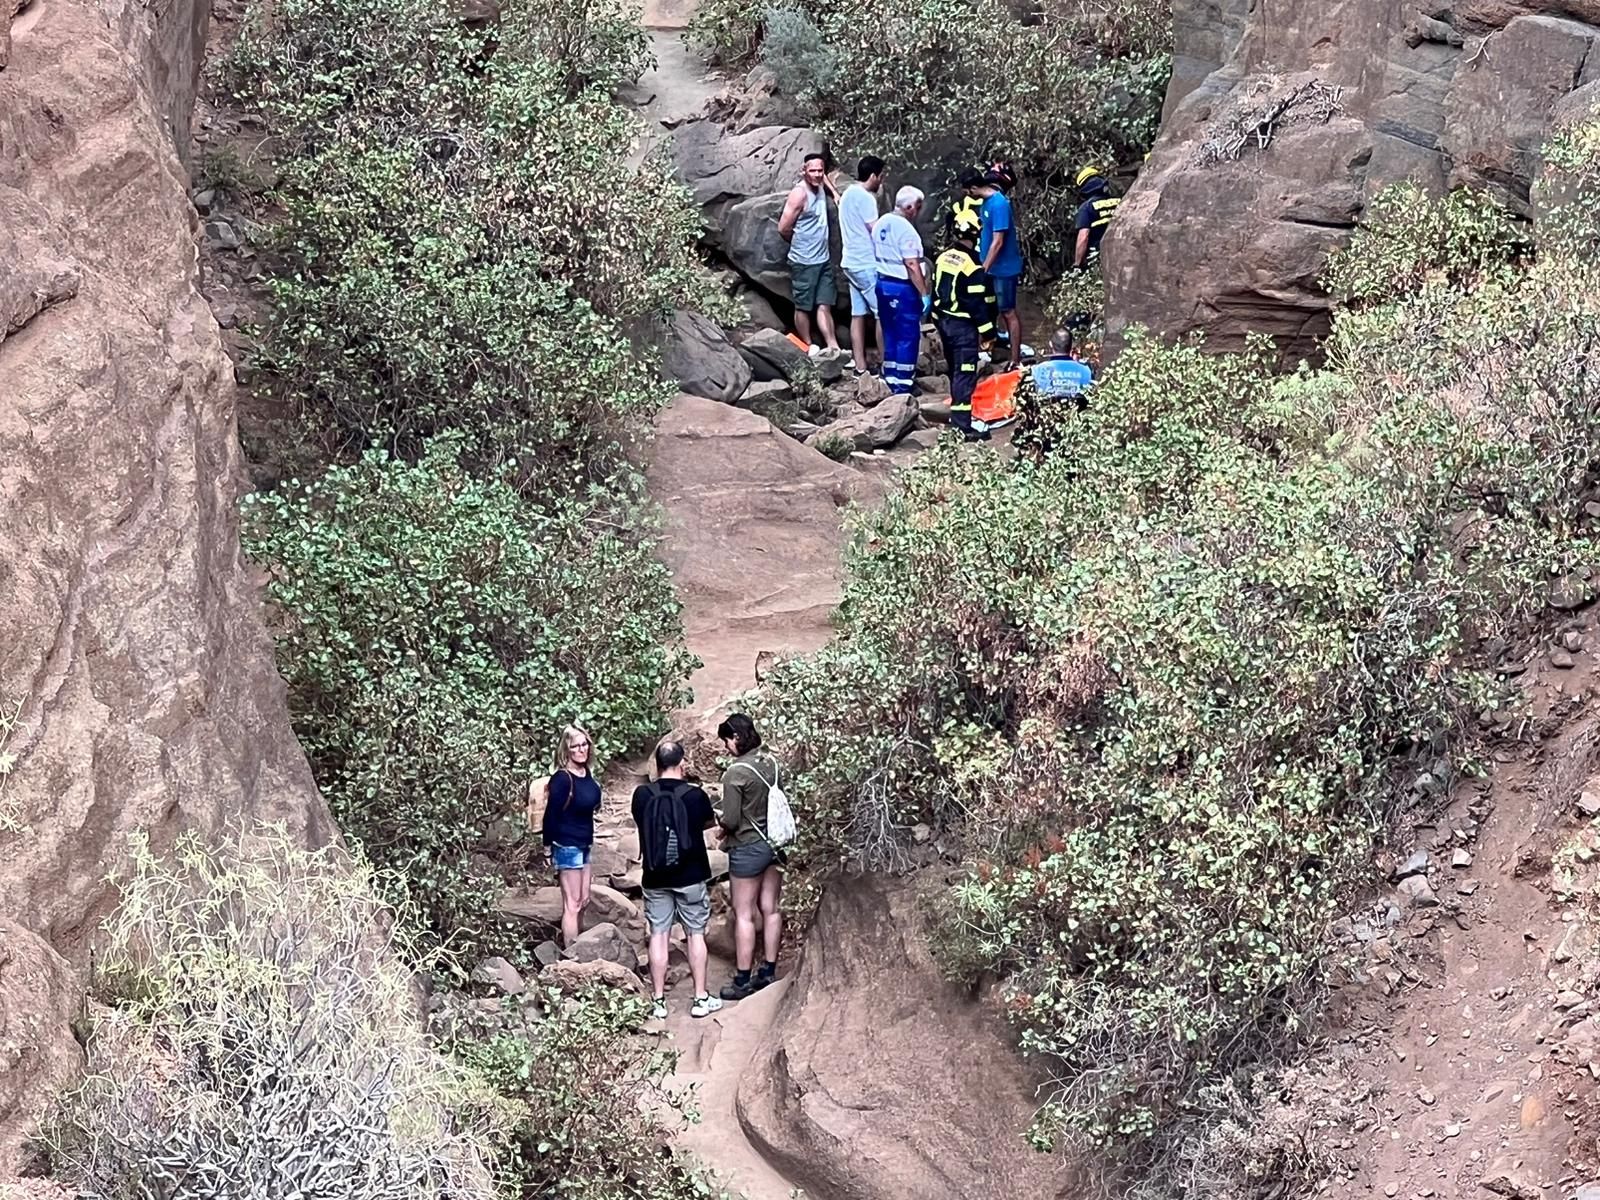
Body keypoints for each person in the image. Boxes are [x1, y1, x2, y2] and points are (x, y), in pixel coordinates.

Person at [632, 740, 723, 1021]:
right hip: (691, 875)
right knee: (695, 933)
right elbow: (708, 824)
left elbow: (641, 822)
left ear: (657, 765)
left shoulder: (642, 795)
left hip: (655, 875)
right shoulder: (695, 796)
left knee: (658, 934)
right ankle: (700, 998)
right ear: (682, 763)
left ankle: (658, 1001)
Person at [716, 713, 785, 1001]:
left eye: (726, 741)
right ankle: (768, 970)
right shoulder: (771, 762)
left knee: (743, 913)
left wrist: (721, 827)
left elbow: (731, 819)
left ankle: (743, 979)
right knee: (771, 907)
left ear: (736, 738)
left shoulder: (735, 774)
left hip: (747, 846)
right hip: (775, 843)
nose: (725, 748)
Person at [932, 206, 997, 442]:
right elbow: (976, 304)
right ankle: (962, 426)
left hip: (944, 323)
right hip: (962, 327)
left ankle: (957, 420)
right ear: (975, 235)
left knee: (954, 371)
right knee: (964, 373)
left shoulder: (942, 258)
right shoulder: (972, 267)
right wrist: (989, 333)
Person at [540, 724, 602, 948]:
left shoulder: (586, 773)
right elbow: (551, 815)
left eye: (584, 744)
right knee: (572, 904)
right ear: (566, 750)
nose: (581, 749)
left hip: (585, 842)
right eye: (575, 746)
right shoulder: (562, 779)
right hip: (567, 845)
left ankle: (578, 944)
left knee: (584, 900)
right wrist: (547, 847)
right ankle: (571, 955)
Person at [778, 153, 843, 357]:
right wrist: (799, 243)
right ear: (803, 171)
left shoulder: (820, 183)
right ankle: (807, 345)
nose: (817, 175)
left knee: (825, 303)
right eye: (812, 171)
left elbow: (823, 179)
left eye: (820, 170)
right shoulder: (800, 194)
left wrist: (834, 193)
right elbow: (783, 228)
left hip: (823, 259)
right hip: (804, 260)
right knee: (803, 306)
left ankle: (833, 347)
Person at [871, 185, 928, 396]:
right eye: (918, 207)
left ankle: (890, 378)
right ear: (910, 206)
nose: (919, 212)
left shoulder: (882, 222)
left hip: (882, 284)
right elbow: (912, 265)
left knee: (890, 332)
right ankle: (903, 384)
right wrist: (924, 293)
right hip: (902, 288)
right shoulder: (906, 230)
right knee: (907, 335)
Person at [838, 155, 886, 378]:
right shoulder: (866, 198)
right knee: (881, 314)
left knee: (857, 314)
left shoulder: (847, 193)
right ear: (873, 175)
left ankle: (860, 367)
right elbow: (874, 230)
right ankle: (887, 366)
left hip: (850, 262)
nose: (882, 181)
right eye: (881, 176)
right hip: (866, 263)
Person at [976, 166, 1025, 371]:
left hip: (1003, 269)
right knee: (987, 310)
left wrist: (983, 268)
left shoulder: (999, 203)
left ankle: (1015, 359)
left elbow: (998, 241)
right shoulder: (986, 202)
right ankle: (990, 351)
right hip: (989, 267)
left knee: (1008, 311)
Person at [1073, 164, 1121, 270]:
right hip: (1121, 253)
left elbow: (1083, 237)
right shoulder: (1118, 201)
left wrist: (1077, 263)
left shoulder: (1086, 207)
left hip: (1099, 260)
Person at [1031, 326, 1093, 405]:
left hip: (1047, 413)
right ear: (1071, 345)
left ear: (1051, 344)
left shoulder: (1036, 370)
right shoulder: (1086, 371)